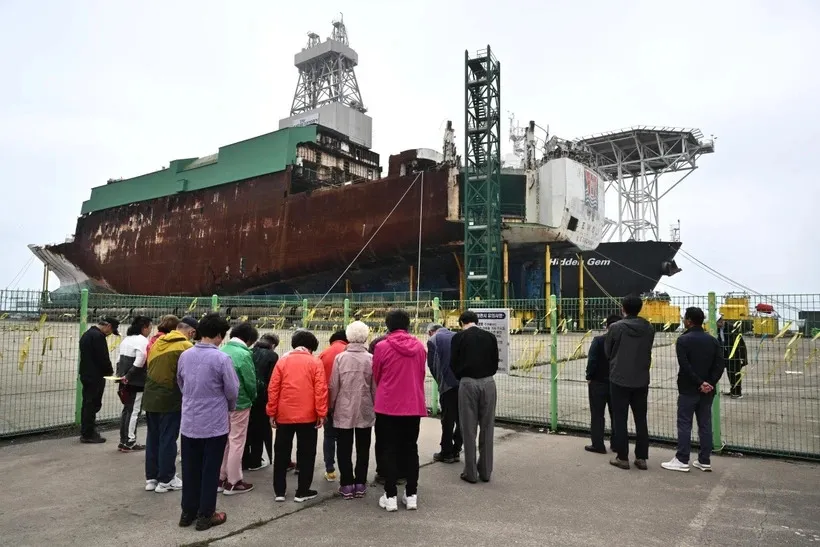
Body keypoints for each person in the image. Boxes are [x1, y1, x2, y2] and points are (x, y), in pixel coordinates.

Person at [177, 313, 239, 531]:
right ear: (220, 335)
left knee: (190, 468)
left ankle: (187, 512)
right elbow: (232, 390)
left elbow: (181, 383)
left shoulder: (185, 355)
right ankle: (206, 514)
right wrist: (228, 407)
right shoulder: (222, 359)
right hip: (213, 423)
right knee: (209, 470)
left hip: (189, 421)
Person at [372, 309, 427, 512]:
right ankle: (411, 494)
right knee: (411, 448)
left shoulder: (382, 346)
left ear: (388, 326)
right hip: (412, 405)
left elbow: (377, 374)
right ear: (408, 325)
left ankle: (390, 495)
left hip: (387, 405)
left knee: (389, 449)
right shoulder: (419, 347)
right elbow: (420, 374)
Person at [267, 329, 328, 503]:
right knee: (306, 454)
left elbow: (273, 389)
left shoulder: (282, 361)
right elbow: (321, 390)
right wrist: (321, 413)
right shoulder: (315, 362)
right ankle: (302, 491)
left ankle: (279, 491)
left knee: (281, 452)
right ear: (311, 347)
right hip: (308, 416)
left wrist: (271, 412)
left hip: (284, 415)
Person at [662, 307, 725, 473]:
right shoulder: (713, 340)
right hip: (708, 391)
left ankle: (682, 459)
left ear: (688, 320)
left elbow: (685, 366)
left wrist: (699, 382)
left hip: (688, 388)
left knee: (684, 424)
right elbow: (720, 365)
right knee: (705, 424)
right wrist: (709, 383)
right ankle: (704, 460)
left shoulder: (683, 340)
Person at [143, 316, 197, 493]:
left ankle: (151, 478)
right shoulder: (186, 347)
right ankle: (166, 479)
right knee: (168, 438)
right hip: (170, 398)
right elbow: (188, 377)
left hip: (151, 396)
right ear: (191, 332)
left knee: (153, 438)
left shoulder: (158, 342)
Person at [605, 295, 655, 470]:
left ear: (623, 309)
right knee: (641, 419)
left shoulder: (616, 328)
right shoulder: (649, 328)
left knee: (620, 419)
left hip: (619, 378)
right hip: (641, 379)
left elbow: (608, 351)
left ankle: (622, 457)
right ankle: (641, 458)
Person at [450, 311, 499, 485]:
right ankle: (486, 471)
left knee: (468, 428)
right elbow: (495, 362)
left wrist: (462, 377)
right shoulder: (490, 337)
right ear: (477, 321)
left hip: (468, 383)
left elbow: (453, 363)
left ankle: (470, 473)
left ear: (462, 322)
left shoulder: (459, 338)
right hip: (488, 383)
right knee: (487, 426)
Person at [330, 321, 376, 500]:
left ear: (348, 337)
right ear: (365, 337)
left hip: (343, 407)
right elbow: (375, 387)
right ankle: (360, 483)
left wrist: (331, 405)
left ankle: (346, 484)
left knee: (343, 447)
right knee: (363, 447)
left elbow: (334, 385)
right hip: (365, 406)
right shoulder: (371, 358)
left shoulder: (340, 358)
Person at [217, 322, 259, 495]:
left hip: (221, 403)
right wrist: (252, 397)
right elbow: (250, 381)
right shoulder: (243, 354)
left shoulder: (222, 350)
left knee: (225, 441)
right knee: (237, 442)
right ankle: (234, 481)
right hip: (240, 403)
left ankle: (220, 478)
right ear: (249, 340)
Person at [78, 316, 120, 443]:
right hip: (95, 375)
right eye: (111, 331)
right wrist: (110, 371)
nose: (110, 334)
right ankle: (88, 433)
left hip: (86, 373)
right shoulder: (98, 337)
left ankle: (87, 430)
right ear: (108, 326)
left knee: (87, 403)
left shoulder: (87, 334)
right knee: (92, 404)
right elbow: (103, 357)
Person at [584, 314, 621, 454]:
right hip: (617, 383)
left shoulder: (598, 341)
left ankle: (598, 444)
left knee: (597, 414)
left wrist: (589, 376)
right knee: (617, 415)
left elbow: (592, 360)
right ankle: (617, 444)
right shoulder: (622, 343)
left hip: (598, 382)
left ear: (606, 326)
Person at [243, 333, 279, 471]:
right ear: (273, 345)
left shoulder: (249, 352)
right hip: (263, 398)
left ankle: (244, 459)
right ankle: (256, 460)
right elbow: (272, 380)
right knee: (260, 430)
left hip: (248, 396)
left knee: (246, 429)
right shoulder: (272, 356)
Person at [426, 323, 461, 463]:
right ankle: (457, 449)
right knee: (461, 419)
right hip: (462, 383)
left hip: (447, 385)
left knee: (447, 419)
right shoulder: (457, 336)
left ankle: (446, 452)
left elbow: (431, 365)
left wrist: (440, 382)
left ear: (430, 332)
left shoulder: (433, 340)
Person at [116, 315, 152, 452]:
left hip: (124, 379)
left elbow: (119, 359)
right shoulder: (142, 341)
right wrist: (130, 375)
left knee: (126, 410)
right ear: (144, 328)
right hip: (136, 381)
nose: (150, 330)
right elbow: (141, 359)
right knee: (134, 411)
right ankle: (130, 441)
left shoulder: (127, 339)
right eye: (149, 327)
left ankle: (123, 440)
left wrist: (121, 375)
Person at [317, 330, 348, 482]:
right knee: (346, 437)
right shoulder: (349, 352)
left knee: (329, 436)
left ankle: (330, 470)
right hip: (347, 403)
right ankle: (347, 471)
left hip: (328, 402)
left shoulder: (324, 353)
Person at [717, 315, 748, 398]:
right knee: (730, 373)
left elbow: (740, 343)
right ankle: (733, 390)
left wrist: (742, 357)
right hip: (726, 354)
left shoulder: (732, 328)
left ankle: (738, 393)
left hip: (735, 354)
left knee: (735, 373)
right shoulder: (718, 329)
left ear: (721, 321)